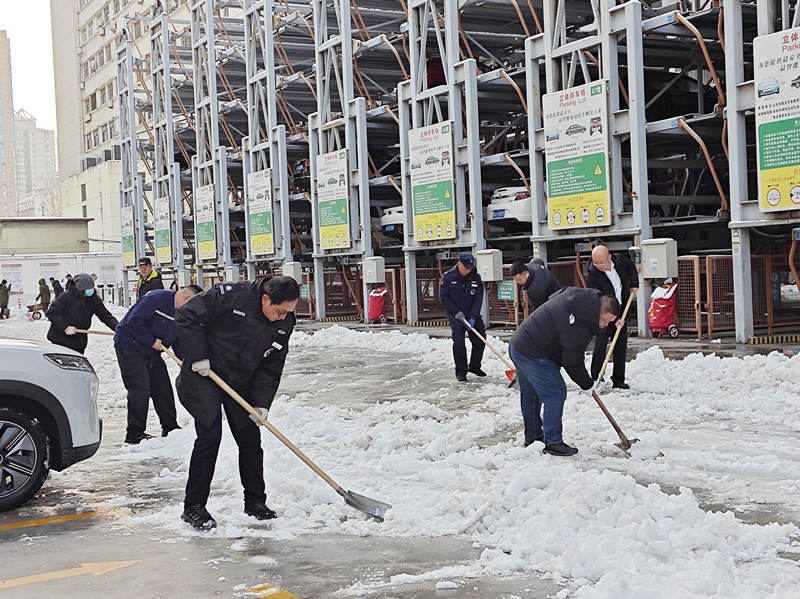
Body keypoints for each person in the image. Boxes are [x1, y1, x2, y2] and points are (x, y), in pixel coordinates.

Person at [175, 276, 300, 529]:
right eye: (279, 311)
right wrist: (197, 356)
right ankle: (194, 506)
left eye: (288, 312)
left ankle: (255, 502)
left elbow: (272, 364)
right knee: (209, 437)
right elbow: (187, 315)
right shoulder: (230, 295)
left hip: (242, 381)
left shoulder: (285, 321)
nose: (283, 317)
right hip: (205, 375)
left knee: (250, 440)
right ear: (265, 299)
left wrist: (262, 403)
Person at [509, 287, 621, 456]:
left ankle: (533, 438)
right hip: (533, 352)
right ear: (597, 310)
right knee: (555, 392)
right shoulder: (578, 326)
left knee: (531, 394)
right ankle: (552, 442)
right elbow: (572, 361)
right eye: (605, 320)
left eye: (609, 323)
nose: (605, 325)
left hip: (520, 344)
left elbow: (554, 295)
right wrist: (587, 385)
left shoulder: (580, 299)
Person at [115, 285, 203, 444]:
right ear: (187, 299)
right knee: (140, 388)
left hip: (153, 353)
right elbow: (133, 322)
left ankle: (170, 427)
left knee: (162, 387)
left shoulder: (183, 312)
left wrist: (184, 360)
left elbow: (178, 338)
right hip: (130, 347)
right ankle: (134, 434)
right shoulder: (156, 299)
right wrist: (151, 340)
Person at [585, 245, 639, 389]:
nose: (599, 266)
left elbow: (631, 268)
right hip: (604, 314)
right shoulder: (592, 275)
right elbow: (595, 299)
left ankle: (618, 380)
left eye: (601, 262)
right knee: (601, 346)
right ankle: (596, 378)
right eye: (595, 262)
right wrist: (612, 319)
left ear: (609, 257)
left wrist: (634, 284)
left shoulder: (620, 262)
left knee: (620, 345)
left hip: (621, 308)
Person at [438, 253, 486, 382]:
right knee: (459, 343)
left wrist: (473, 317)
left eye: (470, 267)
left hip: (472, 314)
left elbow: (478, 299)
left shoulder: (476, 278)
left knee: (480, 340)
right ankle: (461, 371)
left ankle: (475, 366)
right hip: (456, 316)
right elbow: (444, 298)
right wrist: (456, 312)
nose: (468, 270)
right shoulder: (448, 278)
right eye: (466, 267)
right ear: (459, 264)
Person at [46, 273, 119, 354]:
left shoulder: (94, 300)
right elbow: (52, 313)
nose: (90, 290)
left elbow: (106, 316)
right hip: (60, 339)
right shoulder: (66, 297)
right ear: (80, 289)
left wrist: (118, 328)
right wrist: (65, 327)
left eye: (92, 287)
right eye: (88, 288)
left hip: (79, 341)